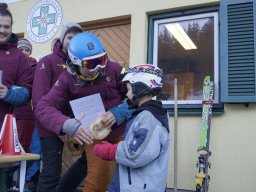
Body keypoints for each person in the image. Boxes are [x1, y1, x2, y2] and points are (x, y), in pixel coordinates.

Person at [35, 32, 127, 192]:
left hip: (121, 132)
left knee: (125, 178)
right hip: (95, 135)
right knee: (97, 180)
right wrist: (67, 124)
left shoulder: (114, 69)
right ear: (76, 62)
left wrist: (118, 113)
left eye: (101, 60)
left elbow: (136, 97)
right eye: (90, 64)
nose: (98, 68)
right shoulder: (66, 80)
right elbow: (43, 107)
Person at [93, 64, 170, 192]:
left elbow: (137, 153)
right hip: (130, 183)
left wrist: (111, 151)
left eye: (129, 89)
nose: (127, 94)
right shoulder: (143, 113)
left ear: (140, 88)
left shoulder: (149, 117)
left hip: (139, 187)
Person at [31, 22, 84, 192]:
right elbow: (39, 100)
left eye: (77, 37)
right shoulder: (47, 62)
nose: (73, 40)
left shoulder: (82, 64)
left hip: (75, 125)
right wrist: (60, 127)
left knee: (87, 162)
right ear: (62, 39)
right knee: (51, 173)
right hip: (50, 127)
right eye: (70, 37)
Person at [0, 3, 33, 191]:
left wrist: (9, 93)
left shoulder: (19, 57)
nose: (3, 30)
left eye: (7, 26)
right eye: (0, 26)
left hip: (3, 130)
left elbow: (27, 92)